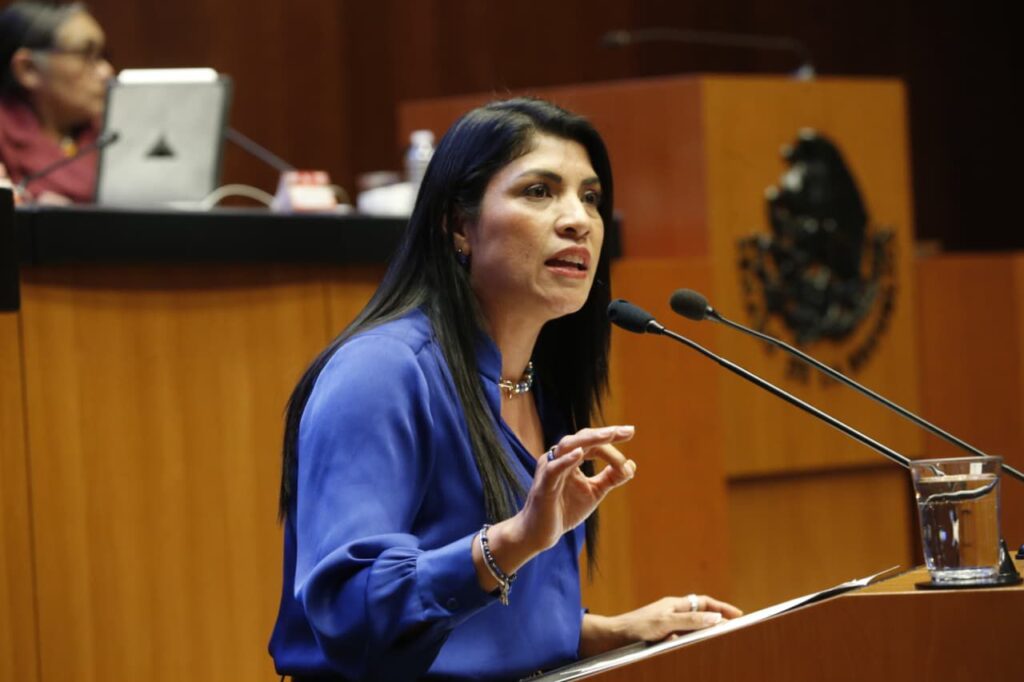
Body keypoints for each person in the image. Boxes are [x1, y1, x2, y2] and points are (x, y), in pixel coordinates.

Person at [269, 98, 741, 681]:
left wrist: (609, 632)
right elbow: (353, 613)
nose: (578, 220)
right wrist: (513, 540)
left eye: (590, 197)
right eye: (539, 192)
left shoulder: (537, 383)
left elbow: (477, 633)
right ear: (458, 225)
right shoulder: (380, 374)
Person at [0, 1, 112, 203]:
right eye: (87, 56)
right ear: (28, 69)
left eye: (102, 56)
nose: (106, 72)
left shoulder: (109, 131)